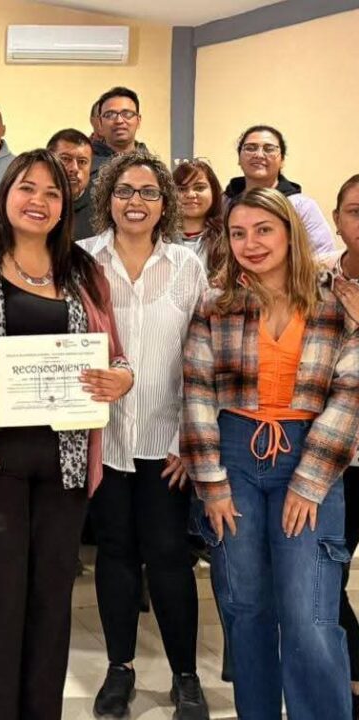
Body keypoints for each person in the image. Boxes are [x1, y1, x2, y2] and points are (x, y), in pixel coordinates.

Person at [0, 149, 132, 719]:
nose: (39, 201)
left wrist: (123, 376)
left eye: (53, 193)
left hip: (65, 467)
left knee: (50, 607)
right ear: (5, 193)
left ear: (66, 207)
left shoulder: (83, 271)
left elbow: (114, 352)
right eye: (27, 188)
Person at [183, 186, 359, 720]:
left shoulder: (334, 302)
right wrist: (212, 485)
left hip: (310, 455)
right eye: (238, 233)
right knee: (246, 607)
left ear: (290, 233)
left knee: (310, 615)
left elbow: (350, 392)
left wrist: (310, 481)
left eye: (264, 230)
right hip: (234, 458)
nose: (251, 243)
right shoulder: (216, 304)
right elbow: (197, 394)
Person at [79, 152, 210, 720]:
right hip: (102, 441)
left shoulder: (187, 266)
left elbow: (202, 356)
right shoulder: (81, 260)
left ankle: (186, 677)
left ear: (165, 203)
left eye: (149, 192)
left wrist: (190, 438)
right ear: (107, 198)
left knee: (169, 557)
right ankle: (119, 669)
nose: (136, 202)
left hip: (167, 443)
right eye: (125, 191)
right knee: (114, 553)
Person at [322, 174, 359, 717]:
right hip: (333, 457)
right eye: (354, 210)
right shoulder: (319, 278)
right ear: (336, 219)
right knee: (324, 577)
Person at [223, 124, 335, 254]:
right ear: (239, 158)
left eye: (269, 149)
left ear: (282, 160)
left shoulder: (301, 207)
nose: (259, 155)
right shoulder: (223, 203)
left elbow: (322, 256)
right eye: (250, 148)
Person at [172, 158, 228, 276]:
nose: (190, 194)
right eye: (182, 189)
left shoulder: (229, 238)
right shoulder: (158, 238)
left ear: (214, 191)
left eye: (199, 188)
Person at [47, 128, 95, 240]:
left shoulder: (106, 209)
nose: (74, 168)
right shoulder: (30, 201)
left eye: (82, 161)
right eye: (65, 159)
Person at [92, 87, 149, 174]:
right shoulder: (85, 167)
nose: (119, 121)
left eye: (127, 114)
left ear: (138, 121)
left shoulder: (154, 168)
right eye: (110, 115)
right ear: (100, 123)